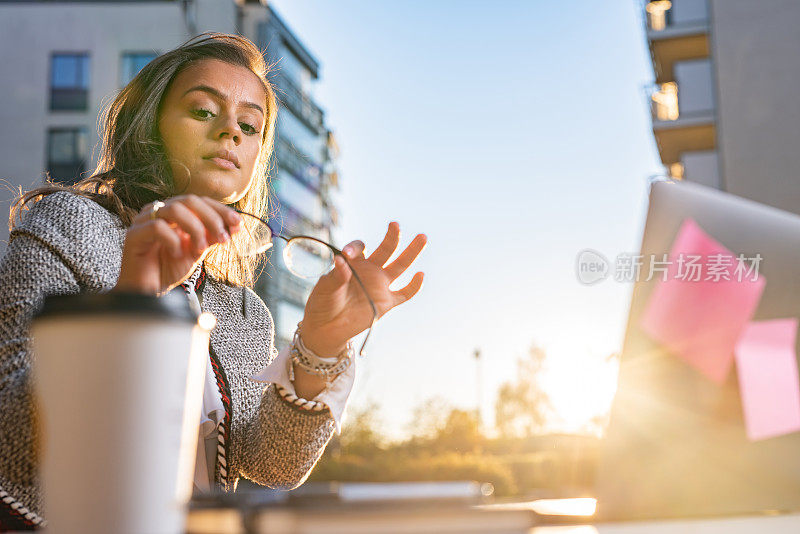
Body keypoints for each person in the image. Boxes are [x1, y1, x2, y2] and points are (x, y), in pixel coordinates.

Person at [0, 33, 426, 530]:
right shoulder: (66, 224)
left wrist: (322, 344)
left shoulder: (243, 311)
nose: (232, 132)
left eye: (250, 125)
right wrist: (135, 301)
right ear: (150, 127)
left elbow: (274, 464)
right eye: (204, 111)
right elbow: (10, 436)